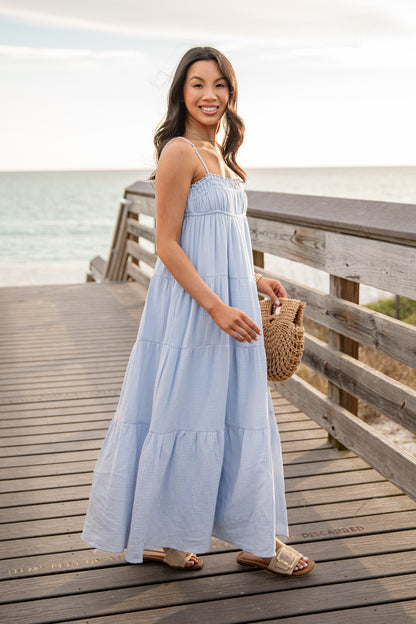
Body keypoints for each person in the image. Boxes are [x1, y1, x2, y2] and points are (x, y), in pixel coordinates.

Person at [81, 46, 315, 577]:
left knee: (237, 415)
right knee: (183, 412)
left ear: (232, 94)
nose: (210, 95)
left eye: (220, 85)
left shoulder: (222, 157)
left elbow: (219, 238)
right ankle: (169, 536)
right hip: (194, 312)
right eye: (197, 84)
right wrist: (214, 307)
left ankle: (258, 540)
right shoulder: (179, 152)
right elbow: (166, 244)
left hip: (228, 305)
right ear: (181, 94)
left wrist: (253, 277)